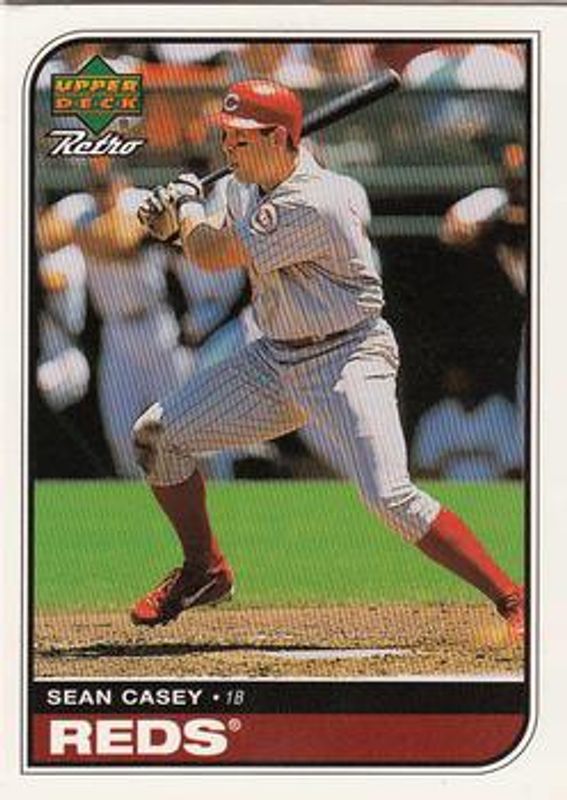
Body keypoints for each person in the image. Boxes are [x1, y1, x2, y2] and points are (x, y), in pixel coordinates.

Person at [133, 78, 525, 639]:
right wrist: (174, 227)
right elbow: (214, 238)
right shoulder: (247, 184)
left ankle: (513, 599)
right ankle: (204, 570)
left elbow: (214, 254)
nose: (227, 147)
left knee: (389, 496)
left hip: (347, 356)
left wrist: (186, 210)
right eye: (225, 136)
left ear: (277, 138)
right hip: (274, 359)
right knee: (156, 436)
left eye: (240, 137)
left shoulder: (316, 198)